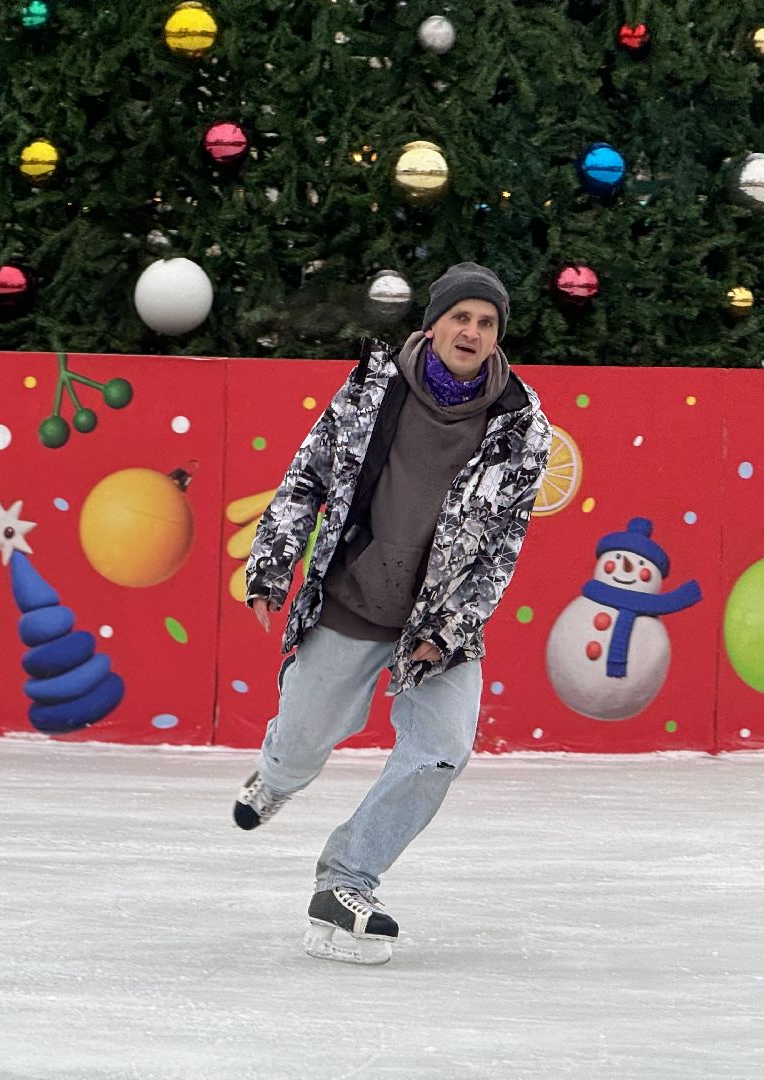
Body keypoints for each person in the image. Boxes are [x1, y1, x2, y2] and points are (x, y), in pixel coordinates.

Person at [235, 262, 550, 965]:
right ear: (432, 324)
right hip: (354, 600)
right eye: (460, 317)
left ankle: (346, 881)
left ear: (498, 338)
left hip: (438, 626)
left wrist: (451, 630)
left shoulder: (521, 428)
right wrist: (272, 564)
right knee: (306, 738)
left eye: (487, 322)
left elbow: (501, 549)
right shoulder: (372, 389)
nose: (471, 331)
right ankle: (278, 777)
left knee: (442, 750)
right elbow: (307, 476)